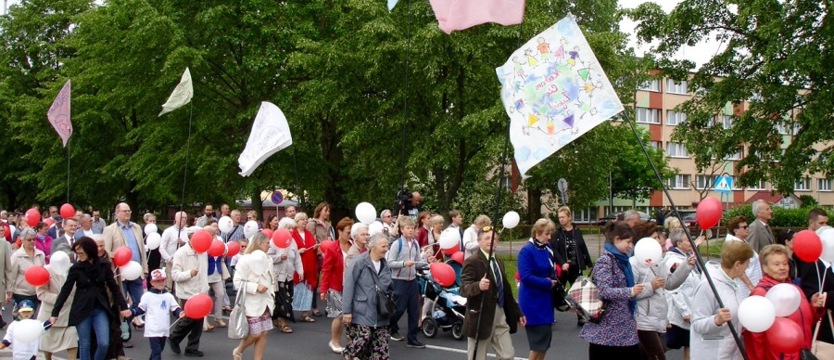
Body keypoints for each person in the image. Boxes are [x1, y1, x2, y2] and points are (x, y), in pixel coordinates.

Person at [50, 237, 131, 360]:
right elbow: (65, 290)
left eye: (81, 253)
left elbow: (114, 287)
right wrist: (55, 312)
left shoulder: (104, 265)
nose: (79, 256)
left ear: (90, 250)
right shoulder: (76, 268)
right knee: (85, 345)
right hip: (82, 309)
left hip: (100, 308)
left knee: (104, 343)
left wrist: (124, 306)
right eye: (77, 253)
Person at [743, 244, 826, 359]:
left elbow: (806, 321)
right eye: (776, 264)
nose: (782, 267)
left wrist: (814, 307)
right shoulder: (761, 293)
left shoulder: (795, 289)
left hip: (802, 353)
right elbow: (755, 336)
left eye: (785, 263)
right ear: (765, 268)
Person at [630, 221, 694, 360]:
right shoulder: (634, 263)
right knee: (658, 356)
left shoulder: (658, 261)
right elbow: (630, 293)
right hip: (642, 321)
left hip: (657, 319)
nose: (658, 242)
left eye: (658, 238)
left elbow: (670, 284)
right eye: (654, 238)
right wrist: (651, 286)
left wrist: (686, 266)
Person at [579, 222, 644, 359]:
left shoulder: (621, 261)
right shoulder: (606, 261)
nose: (630, 246)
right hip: (607, 329)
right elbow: (604, 290)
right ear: (617, 239)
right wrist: (630, 291)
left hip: (623, 327)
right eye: (628, 241)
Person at [461, 225, 524, 360]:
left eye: (494, 238)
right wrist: (478, 286)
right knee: (478, 356)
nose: (491, 241)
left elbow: (505, 290)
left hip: (500, 313)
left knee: (507, 355)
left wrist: (518, 312)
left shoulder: (499, 261)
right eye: (487, 238)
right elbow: (464, 288)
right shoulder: (472, 262)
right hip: (481, 316)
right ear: (479, 241)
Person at [690, 240, 754, 360]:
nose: (748, 266)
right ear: (737, 264)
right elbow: (697, 324)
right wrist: (716, 320)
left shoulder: (732, 282)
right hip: (713, 354)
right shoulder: (708, 285)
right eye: (747, 263)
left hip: (732, 352)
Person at [342, 233, 393, 360]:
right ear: (373, 246)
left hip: (381, 311)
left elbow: (388, 285)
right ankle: (349, 356)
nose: (386, 249)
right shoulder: (359, 262)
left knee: (381, 347)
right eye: (383, 246)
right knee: (362, 339)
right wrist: (347, 311)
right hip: (362, 310)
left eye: (387, 246)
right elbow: (349, 286)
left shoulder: (384, 264)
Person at [518, 218, 560, 360]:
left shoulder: (547, 248)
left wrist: (554, 278)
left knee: (545, 344)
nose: (549, 237)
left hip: (545, 300)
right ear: (537, 232)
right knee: (537, 345)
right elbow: (525, 277)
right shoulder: (526, 250)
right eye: (547, 234)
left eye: (550, 234)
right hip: (532, 301)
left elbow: (551, 268)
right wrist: (547, 283)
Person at [102, 202, 148, 330]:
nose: (127, 213)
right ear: (116, 213)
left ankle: (131, 317)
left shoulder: (137, 228)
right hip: (120, 273)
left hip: (136, 271)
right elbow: (106, 251)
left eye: (129, 211)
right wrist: (118, 256)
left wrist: (145, 268)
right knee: (121, 302)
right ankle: (124, 330)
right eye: (124, 211)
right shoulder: (110, 229)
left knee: (140, 301)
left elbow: (142, 251)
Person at [232, 233, 275, 360]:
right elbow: (237, 282)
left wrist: (272, 295)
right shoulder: (245, 259)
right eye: (267, 243)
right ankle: (238, 351)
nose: (269, 245)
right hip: (251, 302)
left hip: (266, 301)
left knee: (264, 333)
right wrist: (255, 287)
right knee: (255, 333)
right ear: (259, 243)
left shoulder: (269, 259)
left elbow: (271, 279)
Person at [662, 229, 702, 360]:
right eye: (688, 240)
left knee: (691, 345)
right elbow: (673, 288)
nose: (691, 242)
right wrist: (685, 311)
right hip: (680, 314)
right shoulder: (673, 261)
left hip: (691, 308)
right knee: (670, 344)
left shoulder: (686, 256)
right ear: (679, 244)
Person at [129, 268, 185, 360]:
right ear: (152, 282)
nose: (161, 283)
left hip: (164, 329)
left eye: (162, 280)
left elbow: (175, 308)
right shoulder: (147, 296)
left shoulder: (169, 296)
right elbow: (141, 309)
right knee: (157, 351)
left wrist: (180, 313)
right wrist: (132, 312)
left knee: (159, 350)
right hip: (153, 329)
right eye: (157, 281)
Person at [169, 226, 208, 357]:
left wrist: (205, 288)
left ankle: (192, 347)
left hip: (200, 291)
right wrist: (189, 273)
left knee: (199, 321)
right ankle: (174, 337)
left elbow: (204, 272)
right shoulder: (181, 253)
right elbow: (174, 275)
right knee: (189, 319)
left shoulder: (203, 251)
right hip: (187, 292)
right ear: (191, 238)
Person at [386, 217, 425, 348]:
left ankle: (412, 339)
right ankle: (386, 326)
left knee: (414, 310)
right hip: (399, 280)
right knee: (399, 309)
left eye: (412, 228)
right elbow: (390, 263)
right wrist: (404, 263)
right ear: (401, 230)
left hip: (412, 280)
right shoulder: (397, 244)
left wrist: (426, 262)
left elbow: (418, 261)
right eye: (407, 228)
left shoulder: (415, 244)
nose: (410, 230)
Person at [553, 206, 592, 325]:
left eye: (563, 217)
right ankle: (550, 315)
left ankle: (580, 316)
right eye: (559, 217)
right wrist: (562, 262)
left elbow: (583, 247)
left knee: (579, 292)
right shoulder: (557, 233)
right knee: (556, 292)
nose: (561, 220)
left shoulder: (577, 231)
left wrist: (589, 263)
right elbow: (554, 250)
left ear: (569, 217)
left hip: (576, 266)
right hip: (562, 268)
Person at [36, 253, 77, 360]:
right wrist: (58, 299)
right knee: (48, 345)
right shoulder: (45, 270)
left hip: (69, 314)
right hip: (50, 313)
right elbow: (41, 293)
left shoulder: (75, 269)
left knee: (72, 342)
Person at [321, 217, 353, 353]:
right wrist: (323, 289)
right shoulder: (333, 248)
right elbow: (326, 269)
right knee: (339, 316)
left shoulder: (354, 246)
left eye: (351, 232)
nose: (349, 235)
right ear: (339, 231)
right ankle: (334, 341)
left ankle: (351, 343)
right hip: (335, 286)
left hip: (350, 286)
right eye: (347, 232)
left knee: (349, 317)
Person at [268, 217, 302, 333]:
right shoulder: (274, 241)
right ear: (283, 229)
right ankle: (283, 322)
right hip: (278, 276)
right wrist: (279, 257)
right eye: (289, 228)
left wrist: (300, 271)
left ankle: (276, 318)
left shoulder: (293, 242)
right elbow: (268, 257)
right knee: (282, 299)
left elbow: (297, 258)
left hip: (289, 275)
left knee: (289, 297)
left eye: (293, 228)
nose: (292, 230)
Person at [11, 228, 46, 314]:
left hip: (36, 292)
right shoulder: (16, 256)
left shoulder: (40, 254)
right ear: (22, 240)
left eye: (34, 239)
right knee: (24, 316)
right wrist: (9, 292)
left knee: (32, 316)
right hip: (21, 292)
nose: (32, 241)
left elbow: (44, 271)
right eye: (29, 240)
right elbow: (11, 275)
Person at [293, 212, 320, 322]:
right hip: (297, 266)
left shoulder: (309, 234)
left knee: (308, 290)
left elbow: (312, 246)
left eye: (305, 219)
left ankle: (305, 313)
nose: (304, 221)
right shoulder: (293, 234)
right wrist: (298, 251)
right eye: (302, 219)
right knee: (296, 289)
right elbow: (290, 250)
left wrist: (315, 248)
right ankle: (290, 312)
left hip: (309, 265)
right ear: (297, 222)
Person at [203, 219, 229, 331]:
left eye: (213, 233)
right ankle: (204, 321)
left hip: (216, 271)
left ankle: (218, 317)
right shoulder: (202, 242)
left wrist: (224, 253)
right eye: (210, 234)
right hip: (205, 273)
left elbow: (225, 250)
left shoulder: (219, 240)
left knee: (220, 294)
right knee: (205, 297)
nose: (212, 235)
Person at [725, 216, 760, 298]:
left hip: (753, 282)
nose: (747, 228)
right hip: (744, 288)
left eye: (747, 226)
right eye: (744, 227)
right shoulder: (734, 245)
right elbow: (738, 268)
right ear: (736, 231)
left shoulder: (743, 242)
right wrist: (750, 286)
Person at [307, 203, 332, 317]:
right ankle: (314, 306)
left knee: (329, 280)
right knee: (315, 281)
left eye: (328, 211)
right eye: (325, 210)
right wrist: (321, 251)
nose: (327, 213)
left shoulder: (328, 224)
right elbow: (312, 240)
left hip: (328, 254)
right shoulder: (312, 223)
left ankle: (329, 306)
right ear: (319, 211)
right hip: (318, 255)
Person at [160, 211, 188, 292]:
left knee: (181, 286)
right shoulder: (168, 231)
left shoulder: (188, 231)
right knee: (170, 285)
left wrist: (183, 243)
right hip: (171, 261)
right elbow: (162, 248)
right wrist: (170, 259)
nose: (184, 219)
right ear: (176, 218)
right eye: (182, 217)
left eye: (185, 218)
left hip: (184, 261)